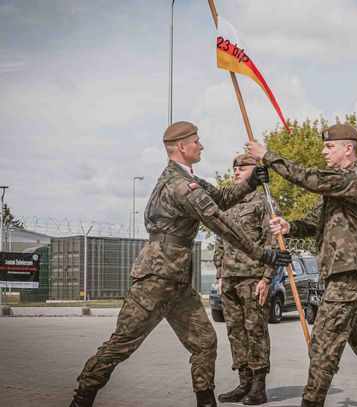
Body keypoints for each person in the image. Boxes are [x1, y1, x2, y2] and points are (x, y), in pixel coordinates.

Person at [70, 121, 291, 407]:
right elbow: (218, 220)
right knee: (123, 343)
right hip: (156, 277)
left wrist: (250, 182)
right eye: (197, 141)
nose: (202, 145)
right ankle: (82, 397)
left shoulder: (188, 180)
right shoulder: (179, 185)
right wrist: (262, 254)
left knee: (204, 342)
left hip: (177, 280)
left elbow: (221, 198)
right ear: (181, 146)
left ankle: (205, 400)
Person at [246, 123, 357, 407]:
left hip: (347, 275)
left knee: (322, 347)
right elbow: (316, 221)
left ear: (348, 149)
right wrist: (290, 226)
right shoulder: (336, 187)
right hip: (339, 275)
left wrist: (268, 156)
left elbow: (309, 178)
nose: (324, 151)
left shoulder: (353, 181)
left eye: (330, 147)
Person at [213, 154, 278, 405]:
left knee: (255, 331)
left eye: (243, 168)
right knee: (235, 331)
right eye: (235, 168)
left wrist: (266, 277)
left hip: (253, 277)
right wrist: (219, 273)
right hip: (229, 278)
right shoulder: (228, 203)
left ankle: (259, 386)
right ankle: (244, 382)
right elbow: (221, 239)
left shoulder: (264, 202)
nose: (237, 171)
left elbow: (272, 242)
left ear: (255, 171)